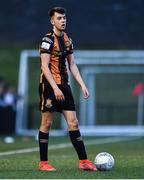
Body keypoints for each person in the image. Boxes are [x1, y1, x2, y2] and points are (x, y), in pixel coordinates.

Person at [38, 7, 97, 171]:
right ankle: (43, 163)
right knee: (47, 123)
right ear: (52, 21)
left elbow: (72, 64)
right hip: (49, 86)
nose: (62, 20)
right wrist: (55, 88)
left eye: (64, 18)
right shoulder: (47, 40)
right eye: (59, 18)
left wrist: (82, 84)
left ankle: (84, 161)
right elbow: (44, 66)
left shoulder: (67, 39)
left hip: (65, 86)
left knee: (73, 122)